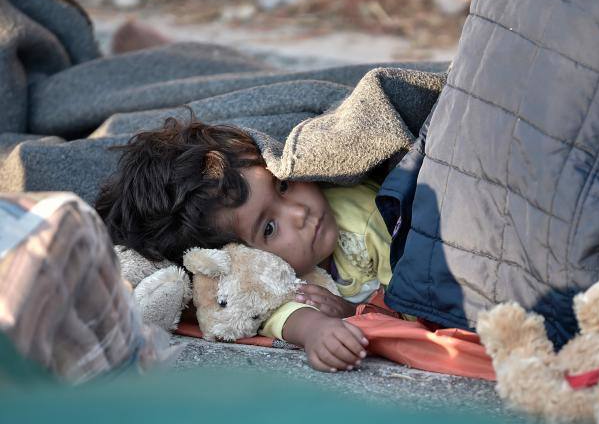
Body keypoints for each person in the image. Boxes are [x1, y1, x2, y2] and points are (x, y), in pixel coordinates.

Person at [96, 116, 394, 374]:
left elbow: (414, 299)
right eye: (269, 227)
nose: (299, 212)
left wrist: (353, 311)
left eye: (283, 185)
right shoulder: (259, 277)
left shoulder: (365, 220)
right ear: (241, 258)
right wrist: (315, 330)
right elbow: (270, 313)